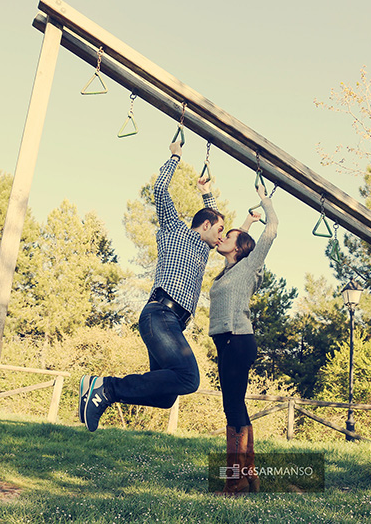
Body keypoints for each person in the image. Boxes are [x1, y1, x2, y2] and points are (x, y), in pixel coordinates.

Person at [80, 139, 224, 432]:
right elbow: (160, 190)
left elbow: (214, 216)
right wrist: (175, 157)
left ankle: (103, 390)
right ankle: (106, 389)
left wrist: (207, 193)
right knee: (189, 378)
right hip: (160, 314)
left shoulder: (204, 249)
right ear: (206, 226)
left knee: (165, 397)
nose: (222, 237)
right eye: (220, 230)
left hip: (171, 323)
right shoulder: (175, 231)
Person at [210, 183, 278, 494]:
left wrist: (264, 201)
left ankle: (235, 480)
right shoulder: (228, 270)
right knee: (236, 406)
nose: (222, 238)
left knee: (232, 407)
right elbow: (240, 238)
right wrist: (246, 222)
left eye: (229, 236)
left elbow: (272, 230)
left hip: (238, 339)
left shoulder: (250, 265)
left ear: (240, 247)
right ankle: (248, 475)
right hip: (226, 342)